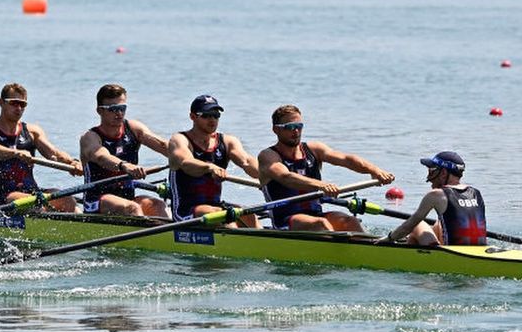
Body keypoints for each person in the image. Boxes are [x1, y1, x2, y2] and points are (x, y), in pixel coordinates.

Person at [257, 104, 394, 232]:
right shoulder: (268, 156)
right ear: (276, 129)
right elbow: (286, 177)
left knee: (350, 221)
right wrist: (322, 185)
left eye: (299, 125)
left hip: (316, 214)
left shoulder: (314, 149)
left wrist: (375, 170)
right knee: (320, 224)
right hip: (286, 221)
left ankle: (368, 251)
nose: (296, 131)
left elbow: (346, 160)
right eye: (290, 127)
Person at [0, 83, 84, 213]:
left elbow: (53, 153)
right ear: (1, 102)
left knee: (67, 200)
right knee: (36, 205)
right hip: (4, 197)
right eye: (14, 103)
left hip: (33, 193)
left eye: (23, 104)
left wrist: (72, 162)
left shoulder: (32, 131)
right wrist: (15, 153)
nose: (19, 108)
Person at [167, 94, 260, 227]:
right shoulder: (180, 140)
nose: (212, 120)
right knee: (221, 215)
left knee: (249, 215)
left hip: (214, 207)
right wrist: (209, 167)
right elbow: (185, 163)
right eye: (206, 115)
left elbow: (246, 161)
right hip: (185, 212)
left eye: (216, 115)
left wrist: (266, 176)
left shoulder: (227, 141)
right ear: (192, 116)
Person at [79, 83, 170, 217]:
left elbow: (163, 145)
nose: (119, 113)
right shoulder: (90, 137)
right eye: (113, 109)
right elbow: (101, 156)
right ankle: (144, 236)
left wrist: (189, 159)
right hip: (97, 200)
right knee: (132, 208)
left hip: (127, 198)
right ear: (100, 111)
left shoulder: (133, 129)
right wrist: (124, 166)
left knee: (157, 205)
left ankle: (165, 237)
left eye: (122, 108)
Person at [381, 151, 487, 246]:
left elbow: (408, 226)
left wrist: (388, 238)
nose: (429, 178)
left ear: (444, 173)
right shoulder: (476, 193)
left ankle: (412, 257)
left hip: (452, 256)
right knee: (438, 224)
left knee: (418, 224)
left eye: (432, 171)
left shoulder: (436, 195)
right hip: (479, 251)